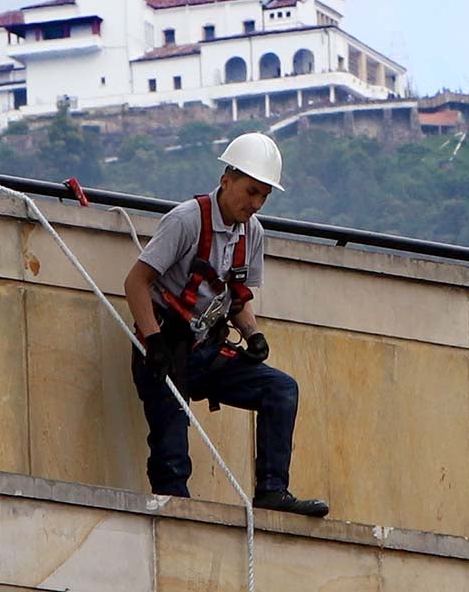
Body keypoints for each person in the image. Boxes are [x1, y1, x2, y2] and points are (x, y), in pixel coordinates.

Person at [124, 132, 329, 517]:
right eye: (250, 192)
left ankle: (272, 490)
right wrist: (153, 342)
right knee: (171, 452)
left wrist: (254, 335)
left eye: (263, 197)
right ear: (226, 180)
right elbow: (136, 282)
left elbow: (233, 294)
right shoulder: (187, 221)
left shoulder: (252, 233)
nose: (255, 204)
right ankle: (176, 517)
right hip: (165, 348)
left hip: (205, 349)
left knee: (280, 390)